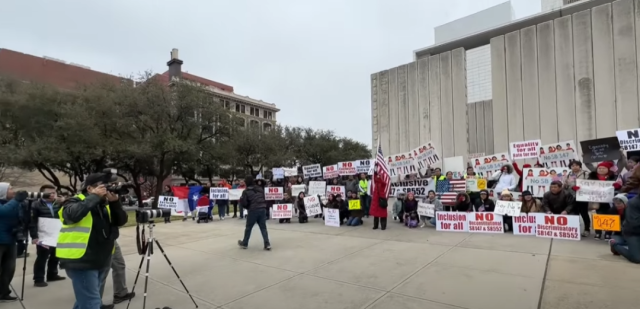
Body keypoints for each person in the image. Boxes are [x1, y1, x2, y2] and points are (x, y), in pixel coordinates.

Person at [57, 173, 129, 309]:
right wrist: (94, 197)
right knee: (91, 303)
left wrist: (115, 203)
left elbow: (121, 221)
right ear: (89, 189)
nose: (107, 190)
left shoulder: (104, 204)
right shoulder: (74, 201)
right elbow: (72, 215)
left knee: (85, 300)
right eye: (104, 186)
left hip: (102, 258)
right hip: (81, 260)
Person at [28, 185, 66, 287]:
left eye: (54, 192)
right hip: (43, 235)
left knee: (55, 255)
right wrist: (34, 236)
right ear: (42, 194)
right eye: (50, 193)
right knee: (42, 256)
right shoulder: (36, 204)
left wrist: (64, 203)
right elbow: (32, 221)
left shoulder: (58, 204)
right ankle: (38, 278)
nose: (53, 195)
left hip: (56, 233)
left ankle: (52, 274)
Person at [0, 182, 28, 302]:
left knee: (9, 268)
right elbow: (3, 212)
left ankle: (3, 292)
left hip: (11, 239)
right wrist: (17, 200)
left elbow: (22, 217)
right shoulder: (13, 203)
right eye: (10, 189)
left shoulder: (15, 203)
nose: (13, 191)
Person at [589, 161, 622, 240]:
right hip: (597, 201)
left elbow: (621, 185)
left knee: (610, 217)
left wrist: (617, 186)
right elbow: (585, 186)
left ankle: (608, 233)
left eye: (603, 168)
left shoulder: (615, 177)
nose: (601, 170)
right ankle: (598, 233)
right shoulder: (592, 177)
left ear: (608, 169)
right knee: (599, 216)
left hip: (610, 201)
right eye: (599, 168)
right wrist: (579, 188)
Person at [237, 176, 271, 250]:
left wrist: (248, 206)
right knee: (263, 228)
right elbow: (264, 198)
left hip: (253, 210)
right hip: (262, 209)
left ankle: (245, 243)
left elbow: (244, 203)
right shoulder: (260, 188)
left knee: (248, 228)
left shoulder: (246, 191)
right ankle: (267, 244)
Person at [100, 241, 135, 308]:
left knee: (119, 264)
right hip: (101, 238)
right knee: (101, 273)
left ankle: (120, 294)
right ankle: (95, 303)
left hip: (110, 238)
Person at [563, 160, 591, 237]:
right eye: (572, 166)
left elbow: (590, 184)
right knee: (574, 213)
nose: (574, 167)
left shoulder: (585, 173)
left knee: (584, 213)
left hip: (583, 196)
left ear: (580, 166)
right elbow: (566, 185)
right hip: (572, 196)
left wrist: (581, 188)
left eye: (576, 165)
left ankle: (587, 229)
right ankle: (575, 229)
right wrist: (570, 186)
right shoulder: (569, 175)